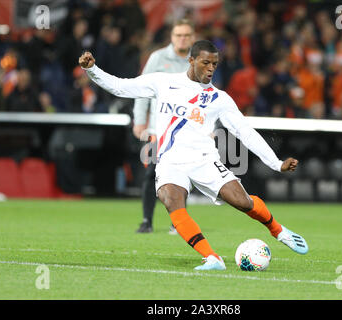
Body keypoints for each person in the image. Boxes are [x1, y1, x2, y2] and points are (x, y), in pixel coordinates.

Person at [79, 40, 308, 271]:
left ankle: (279, 231)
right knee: (170, 199)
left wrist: (276, 163)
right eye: (205, 62)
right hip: (170, 160)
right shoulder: (163, 82)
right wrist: (92, 70)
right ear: (191, 60)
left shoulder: (219, 99)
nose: (211, 68)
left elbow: (245, 133)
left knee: (242, 202)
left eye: (215, 64)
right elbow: (121, 87)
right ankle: (212, 258)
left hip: (204, 160)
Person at [132, 19, 195, 234]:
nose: (182, 39)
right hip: (158, 129)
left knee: (182, 175)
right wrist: (139, 120)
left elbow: (207, 95)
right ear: (172, 36)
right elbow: (142, 89)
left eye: (186, 35)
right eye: (179, 35)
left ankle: (177, 222)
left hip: (186, 130)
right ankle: (146, 220)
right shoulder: (158, 58)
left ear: (192, 37)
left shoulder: (197, 61)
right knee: (152, 174)